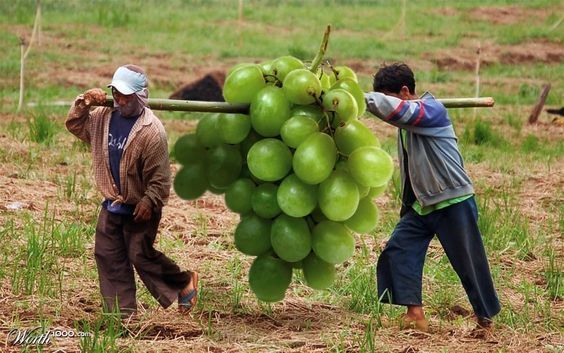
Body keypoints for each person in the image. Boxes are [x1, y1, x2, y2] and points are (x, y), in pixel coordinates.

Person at [364, 63, 500, 334]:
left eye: (388, 96)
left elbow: (395, 109)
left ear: (405, 91)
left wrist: (354, 97)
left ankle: (485, 319)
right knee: (399, 250)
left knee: (468, 262)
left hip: (453, 201)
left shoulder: (431, 110)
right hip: (422, 206)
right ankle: (414, 315)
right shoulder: (405, 122)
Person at [66, 64, 199, 317]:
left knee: (140, 254)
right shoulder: (103, 118)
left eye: (126, 95)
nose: (119, 99)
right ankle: (121, 314)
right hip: (112, 203)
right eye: (116, 93)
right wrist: (84, 103)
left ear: (141, 96)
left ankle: (183, 283)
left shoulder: (151, 131)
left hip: (140, 206)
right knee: (108, 255)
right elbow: (75, 125)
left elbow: (160, 178)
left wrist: (149, 201)